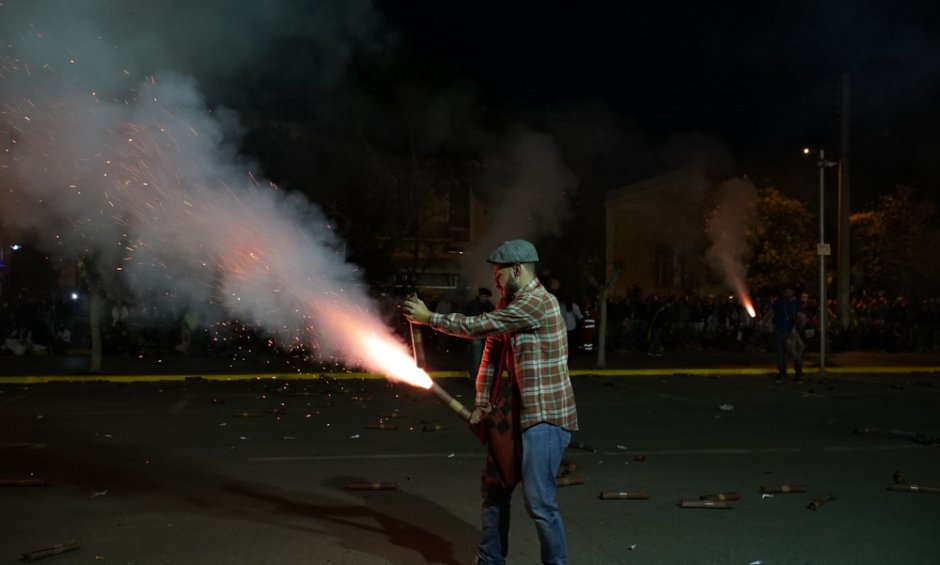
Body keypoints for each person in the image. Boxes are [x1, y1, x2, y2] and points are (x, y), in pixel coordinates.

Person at [403, 239, 577, 565]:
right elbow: (493, 353)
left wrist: (429, 318)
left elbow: (479, 327)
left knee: (539, 503)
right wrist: (483, 402)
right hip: (515, 413)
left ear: (517, 269)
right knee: (494, 492)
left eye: (498, 274)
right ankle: (490, 560)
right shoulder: (508, 303)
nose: (495, 280)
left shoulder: (537, 303)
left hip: (545, 418)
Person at [771, 287, 805, 382]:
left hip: (792, 331)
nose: (786, 292)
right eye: (785, 290)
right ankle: (782, 375)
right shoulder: (778, 302)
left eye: (789, 290)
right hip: (780, 330)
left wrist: (798, 320)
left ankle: (799, 375)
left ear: (793, 292)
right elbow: (771, 312)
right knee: (781, 354)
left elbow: (800, 315)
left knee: (796, 354)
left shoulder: (796, 303)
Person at [465, 287, 495, 378]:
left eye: (486, 297)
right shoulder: (476, 305)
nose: (485, 298)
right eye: (483, 296)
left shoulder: (488, 305)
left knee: (480, 356)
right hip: (477, 333)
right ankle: (475, 375)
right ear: (480, 295)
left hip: (482, 333)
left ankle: (477, 375)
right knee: (477, 356)